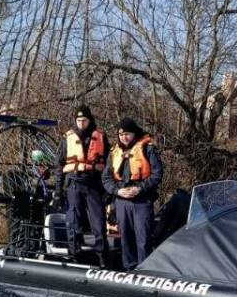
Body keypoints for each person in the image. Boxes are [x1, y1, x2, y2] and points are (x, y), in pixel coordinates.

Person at [102, 117, 163, 270]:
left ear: (134, 133)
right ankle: (129, 268)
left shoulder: (147, 148)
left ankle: (145, 271)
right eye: (121, 135)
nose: (124, 137)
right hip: (122, 200)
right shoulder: (114, 152)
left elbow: (157, 174)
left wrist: (140, 188)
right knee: (126, 239)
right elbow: (106, 177)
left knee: (143, 238)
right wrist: (117, 191)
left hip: (141, 200)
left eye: (127, 134)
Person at [57, 104, 108, 262]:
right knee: (74, 221)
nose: (81, 123)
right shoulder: (68, 137)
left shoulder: (100, 136)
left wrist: (107, 190)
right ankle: (75, 253)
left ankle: (102, 257)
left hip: (93, 184)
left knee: (98, 221)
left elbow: (109, 164)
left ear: (89, 120)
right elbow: (59, 164)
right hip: (74, 183)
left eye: (84, 120)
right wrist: (58, 190)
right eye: (78, 120)